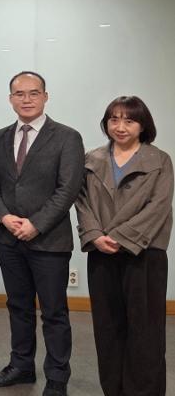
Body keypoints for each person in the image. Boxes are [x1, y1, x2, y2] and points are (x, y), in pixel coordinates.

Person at [0, 71, 84, 396]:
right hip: (9, 238)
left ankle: (57, 377)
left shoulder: (67, 137)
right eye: (19, 94)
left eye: (33, 93)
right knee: (18, 306)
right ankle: (21, 365)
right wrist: (3, 216)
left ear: (45, 96)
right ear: (10, 98)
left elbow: (68, 189)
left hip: (49, 241)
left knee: (54, 312)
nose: (26, 99)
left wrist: (36, 223)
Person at [76, 96, 172, 396]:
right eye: (114, 119)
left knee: (145, 331)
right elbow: (81, 201)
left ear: (143, 125)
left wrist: (120, 237)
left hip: (145, 253)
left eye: (129, 120)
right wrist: (95, 235)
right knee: (107, 328)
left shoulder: (159, 160)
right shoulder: (91, 159)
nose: (120, 126)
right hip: (101, 251)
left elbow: (159, 206)